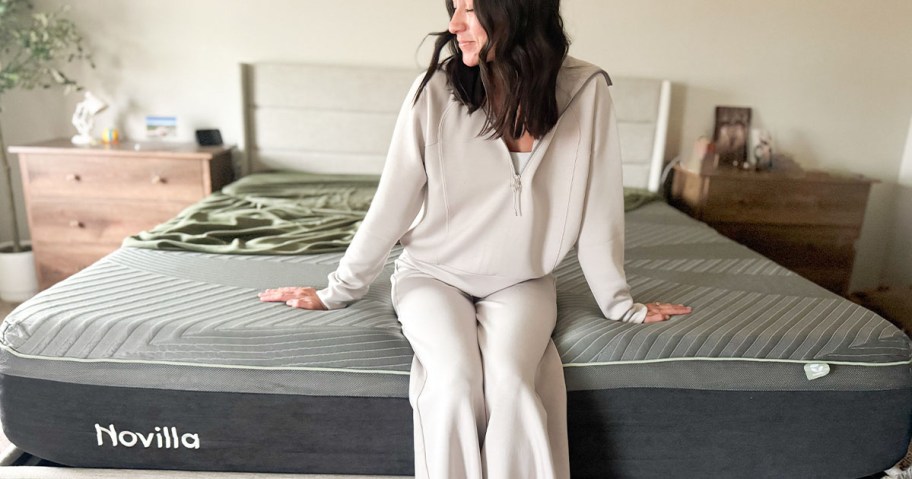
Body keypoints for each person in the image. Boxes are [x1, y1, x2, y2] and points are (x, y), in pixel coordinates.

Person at [259, 0, 692, 477]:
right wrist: (338, 290)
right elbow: (392, 203)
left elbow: (600, 206)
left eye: (470, 8)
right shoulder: (437, 90)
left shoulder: (585, 91)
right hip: (431, 276)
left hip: (524, 280)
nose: (454, 24)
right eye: (453, 7)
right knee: (455, 383)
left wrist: (619, 303)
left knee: (512, 383)